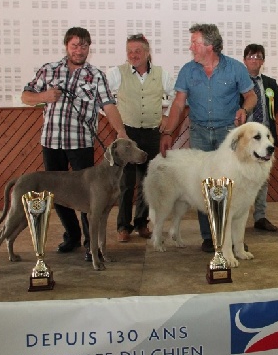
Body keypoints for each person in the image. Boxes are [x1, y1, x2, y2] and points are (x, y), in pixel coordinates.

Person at [21, 27, 128, 261]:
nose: (79, 50)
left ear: (89, 48)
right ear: (66, 46)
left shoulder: (95, 75)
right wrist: (43, 97)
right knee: (57, 194)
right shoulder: (48, 70)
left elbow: (108, 105)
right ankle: (72, 236)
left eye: (84, 46)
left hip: (81, 142)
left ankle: (92, 245)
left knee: (90, 196)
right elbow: (25, 96)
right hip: (51, 142)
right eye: (75, 45)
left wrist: (121, 132)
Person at [159, 23, 256, 253]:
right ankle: (210, 236)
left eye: (195, 42)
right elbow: (179, 103)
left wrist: (245, 109)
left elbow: (250, 96)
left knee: (231, 185)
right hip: (199, 132)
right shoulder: (188, 70)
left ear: (210, 46)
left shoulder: (235, 68)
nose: (191, 46)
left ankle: (232, 239)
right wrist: (167, 132)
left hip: (228, 134)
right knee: (205, 183)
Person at [106, 34, 175, 243]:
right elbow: (102, 98)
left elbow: (178, 95)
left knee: (148, 180)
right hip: (127, 134)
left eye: (137, 51)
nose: (133, 55)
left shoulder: (162, 74)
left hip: (152, 133)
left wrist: (166, 116)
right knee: (126, 182)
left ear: (147, 52)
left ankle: (141, 223)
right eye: (129, 51)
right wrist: (116, 121)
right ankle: (123, 226)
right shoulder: (116, 73)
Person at [243, 43, 278, 232]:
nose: (254, 60)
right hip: (246, 141)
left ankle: (260, 216)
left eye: (258, 57)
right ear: (244, 60)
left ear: (263, 61)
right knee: (242, 177)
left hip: (265, 138)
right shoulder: (238, 82)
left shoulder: (270, 83)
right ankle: (239, 215)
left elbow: (274, 111)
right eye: (250, 57)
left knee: (263, 178)